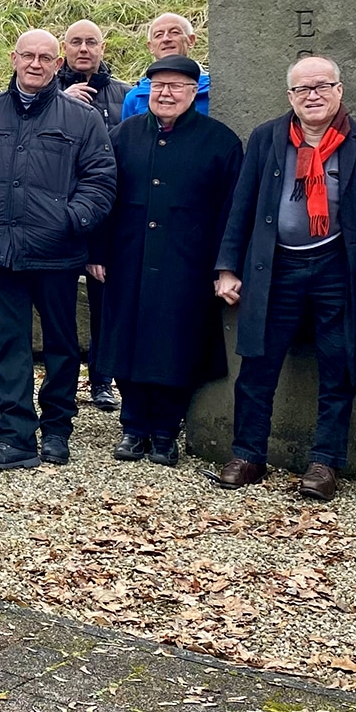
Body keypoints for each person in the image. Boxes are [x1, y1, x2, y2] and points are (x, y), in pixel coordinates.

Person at [212, 56, 356, 501]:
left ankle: (325, 463)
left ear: (339, 91)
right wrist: (226, 267)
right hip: (275, 268)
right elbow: (243, 206)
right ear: (290, 97)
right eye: (302, 89)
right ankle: (248, 454)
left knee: (340, 367)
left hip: (338, 270)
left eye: (321, 86)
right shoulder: (267, 139)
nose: (312, 96)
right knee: (257, 364)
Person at [0, 28, 117, 470]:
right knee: (9, 345)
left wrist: (68, 222)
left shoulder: (82, 118)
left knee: (63, 346)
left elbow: (101, 182)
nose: (37, 64)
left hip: (57, 253)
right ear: (14, 58)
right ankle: (16, 435)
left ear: (58, 63)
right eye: (29, 55)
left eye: (46, 57)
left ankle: (59, 429)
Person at [92, 54, 242, 465]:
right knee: (127, 340)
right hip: (127, 256)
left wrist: (224, 265)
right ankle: (132, 426)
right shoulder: (122, 135)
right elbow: (102, 196)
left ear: (194, 92)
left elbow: (234, 209)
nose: (166, 93)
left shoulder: (220, 141)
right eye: (158, 86)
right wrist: (97, 252)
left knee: (177, 344)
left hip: (188, 261)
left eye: (176, 86)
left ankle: (165, 430)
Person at [57, 18, 128, 411]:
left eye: (92, 42)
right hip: (61, 213)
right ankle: (62, 381)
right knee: (62, 305)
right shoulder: (48, 91)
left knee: (106, 303)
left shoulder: (125, 94)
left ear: (103, 48)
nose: (84, 49)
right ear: (64, 48)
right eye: (76, 42)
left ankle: (102, 380)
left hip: (107, 212)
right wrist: (62, 100)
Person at [119, 13, 212, 119]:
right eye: (158, 35)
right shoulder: (135, 97)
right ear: (150, 47)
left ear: (191, 40)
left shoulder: (214, 89)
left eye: (175, 32)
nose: (166, 39)